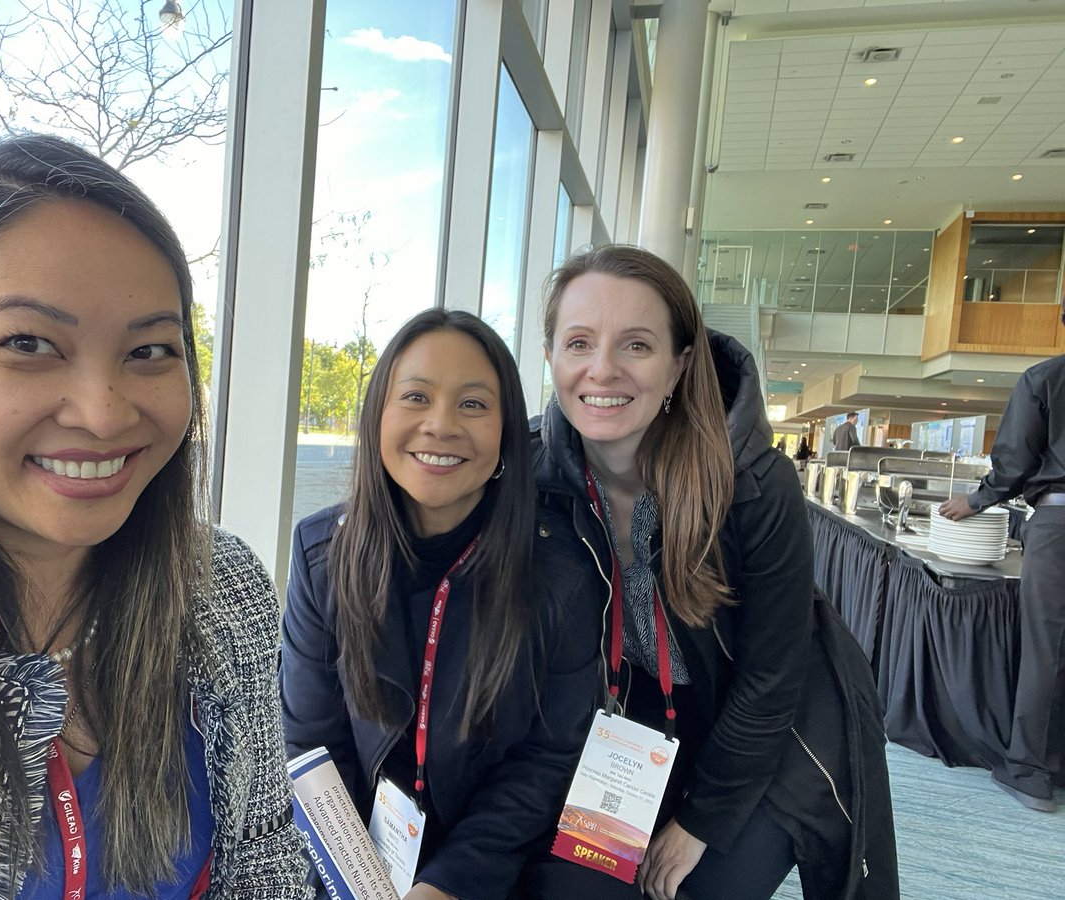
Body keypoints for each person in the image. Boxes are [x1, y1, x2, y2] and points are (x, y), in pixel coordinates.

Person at [0, 136, 311, 899]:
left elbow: (264, 854)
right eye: (29, 343)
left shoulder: (222, 588)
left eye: (150, 351)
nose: (105, 414)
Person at [527, 245, 898, 900]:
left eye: (636, 346)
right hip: (633, 726)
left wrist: (701, 820)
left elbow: (771, 677)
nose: (602, 369)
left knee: (699, 887)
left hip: (766, 728)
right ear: (552, 357)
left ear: (680, 365)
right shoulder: (534, 476)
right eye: (578, 342)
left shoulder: (755, 484)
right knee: (573, 888)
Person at [280, 309, 601, 900]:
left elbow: (548, 759)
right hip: (358, 855)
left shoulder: (560, 574)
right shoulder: (322, 554)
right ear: (378, 414)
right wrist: (362, 881)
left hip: (502, 853)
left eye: (473, 405)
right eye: (416, 397)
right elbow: (313, 746)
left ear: (507, 434)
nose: (440, 425)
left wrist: (449, 883)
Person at [939, 302, 1065, 813]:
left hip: (1058, 524)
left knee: (1045, 647)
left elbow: (1014, 461)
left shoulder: (1045, 378)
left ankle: (1029, 771)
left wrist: (976, 500)